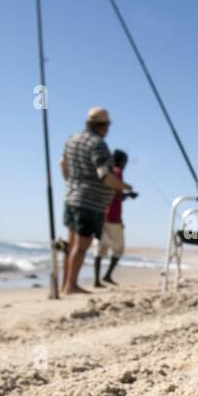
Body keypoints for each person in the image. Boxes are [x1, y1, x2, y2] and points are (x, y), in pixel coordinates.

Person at [59, 107, 132, 295]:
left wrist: (72, 182)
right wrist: (123, 186)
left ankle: (65, 283)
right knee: (82, 245)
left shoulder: (72, 139)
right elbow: (104, 175)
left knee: (72, 243)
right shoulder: (97, 144)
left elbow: (63, 164)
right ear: (103, 126)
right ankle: (71, 285)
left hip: (71, 196)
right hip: (89, 201)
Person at [95, 149, 134, 288]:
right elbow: (117, 194)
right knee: (119, 250)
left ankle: (96, 280)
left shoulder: (107, 172)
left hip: (101, 215)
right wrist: (128, 194)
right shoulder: (117, 172)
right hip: (113, 217)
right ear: (121, 161)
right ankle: (107, 275)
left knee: (100, 248)